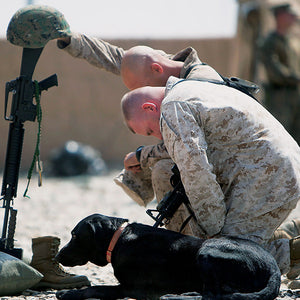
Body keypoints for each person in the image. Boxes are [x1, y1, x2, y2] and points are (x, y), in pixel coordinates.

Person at [121, 76, 300, 278]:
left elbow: (197, 175)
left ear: (149, 108)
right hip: (274, 169)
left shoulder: (172, 108)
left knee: (223, 261)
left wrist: (211, 236)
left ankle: (294, 252)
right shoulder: (189, 87)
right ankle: (288, 232)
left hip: (267, 178)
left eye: (150, 130)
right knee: (225, 252)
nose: (158, 136)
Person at [259, 2, 300, 144]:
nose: (294, 18)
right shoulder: (269, 42)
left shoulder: (293, 42)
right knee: (281, 138)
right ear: (280, 16)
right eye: (291, 15)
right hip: (279, 98)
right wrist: (295, 78)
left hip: (295, 96)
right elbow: (275, 71)